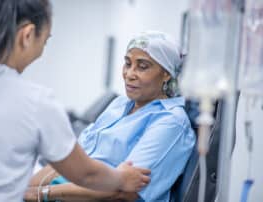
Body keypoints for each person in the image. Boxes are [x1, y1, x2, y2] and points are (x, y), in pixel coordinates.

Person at [0, 0, 151, 201]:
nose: (42, 51)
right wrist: (122, 178)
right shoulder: (35, 102)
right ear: (27, 35)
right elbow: (87, 175)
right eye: (44, 41)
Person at [25, 31, 196, 202]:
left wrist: (41, 194)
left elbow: (123, 192)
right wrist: (23, 190)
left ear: (166, 73)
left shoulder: (171, 122)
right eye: (127, 64)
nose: (130, 74)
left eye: (142, 67)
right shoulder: (119, 104)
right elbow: (70, 163)